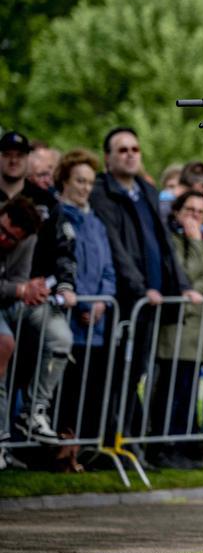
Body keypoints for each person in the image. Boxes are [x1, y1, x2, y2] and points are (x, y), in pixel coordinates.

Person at [90, 127, 200, 447]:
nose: (130, 154)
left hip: (151, 301)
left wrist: (182, 285)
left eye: (135, 149)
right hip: (123, 299)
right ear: (108, 158)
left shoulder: (147, 192)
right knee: (112, 372)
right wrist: (139, 289)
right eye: (122, 150)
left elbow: (163, 244)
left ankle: (127, 439)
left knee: (135, 371)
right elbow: (114, 245)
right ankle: (109, 440)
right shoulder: (102, 192)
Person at [0, 131, 78, 444]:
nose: (14, 159)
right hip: (14, 293)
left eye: (20, 153)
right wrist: (20, 290)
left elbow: (64, 249)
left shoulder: (45, 202)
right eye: (7, 153)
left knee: (59, 335)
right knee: (4, 347)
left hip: (24, 294)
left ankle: (34, 411)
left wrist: (64, 283)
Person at [149, 190, 203, 469]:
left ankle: (180, 446)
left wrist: (193, 290)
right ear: (177, 211)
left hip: (195, 334)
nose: (194, 217)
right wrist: (194, 242)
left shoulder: (199, 241)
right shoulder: (172, 240)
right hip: (174, 331)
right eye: (189, 210)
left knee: (188, 394)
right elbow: (183, 276)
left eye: (200, 213)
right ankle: (162, 447)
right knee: (169, 393)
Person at [54, 150, 117, 441]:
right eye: (79, 181)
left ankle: (83, 446)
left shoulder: (97, 224)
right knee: (64, 388)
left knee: (90, 390)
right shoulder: (57, 217)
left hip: (96, 323)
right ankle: (60, 446)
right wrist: (78, 299)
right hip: (67, 318)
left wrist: (102, 302)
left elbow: (107, 269)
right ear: (65, 180)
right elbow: (62, 264)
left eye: (90, 182)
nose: (85, 188)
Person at [0, 197, 44, 464]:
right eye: (2, 230)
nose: (3, 239)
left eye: (11, 238)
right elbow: (17, 287)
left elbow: (19, 280)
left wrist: (28, 291)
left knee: (8, 344)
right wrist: (18, 290)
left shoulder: (27, 241)